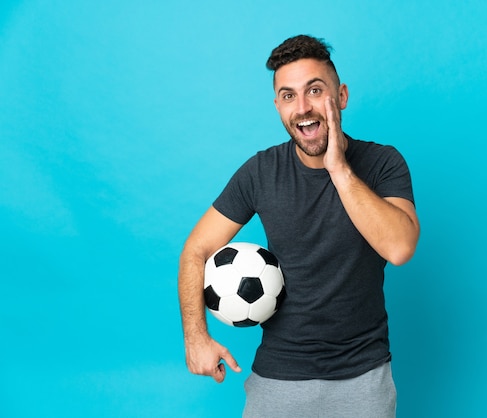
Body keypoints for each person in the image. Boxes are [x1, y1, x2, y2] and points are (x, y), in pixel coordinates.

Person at [178, 34, 420, 417]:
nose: (303, 107)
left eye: (315, 90)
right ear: (277, 106)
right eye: (289, 95)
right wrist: (196, 337)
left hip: (364, 379)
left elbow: (400, 247)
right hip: (278, 379)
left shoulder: (382, 163)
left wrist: (338, 169)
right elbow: (196, 249)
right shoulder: (260, 172)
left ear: (340, 96)